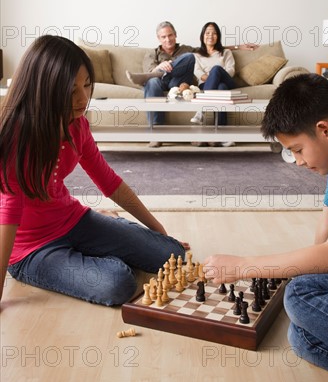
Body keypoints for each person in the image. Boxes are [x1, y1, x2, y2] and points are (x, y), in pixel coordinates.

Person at [0, 35, 188, 308]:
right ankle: (94, 249)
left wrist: (159, 231)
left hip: (73, 219)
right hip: (33, 249)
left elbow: (109, 182)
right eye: (71, 89)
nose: (83, 97)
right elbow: (8, 214)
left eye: (86, 85)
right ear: (45, 87)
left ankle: (102, 238)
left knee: (172, 253)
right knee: (118, 283)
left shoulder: (77, 126)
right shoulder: (18, 138)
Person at [203, 73, 328, 382]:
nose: (297, 161)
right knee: (303, 337)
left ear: (326, 130)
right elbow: (323, 247)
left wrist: (244, 266)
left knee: (300, 295)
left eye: (298, 149)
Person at [126, 21, 257, 147]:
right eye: (163, 37)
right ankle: (156, 135)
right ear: (158, 38)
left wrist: (238, 47)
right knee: (153, 81)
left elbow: (210, 47)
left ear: (175, 34)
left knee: (189, 56)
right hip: (159, 82)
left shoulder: (186, 49)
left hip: (178, 82)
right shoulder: (151, 54)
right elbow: (150, 69)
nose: (168, 39)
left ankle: (217, 132)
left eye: (170, 35)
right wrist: (159, 67)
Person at [190, 22, 237, 147]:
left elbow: (231, 70)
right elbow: (197, 72)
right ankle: (221, 137)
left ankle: (202, 110)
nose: (211, 35)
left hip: (227, 80)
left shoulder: (226, 52)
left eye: (214, 33)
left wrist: (216, 74)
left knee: (216, 69)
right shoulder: (196, 54)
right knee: (220, 88)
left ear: (218, 36)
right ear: (202, 36)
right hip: (207, 85)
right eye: (208, 33)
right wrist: (212, 78)